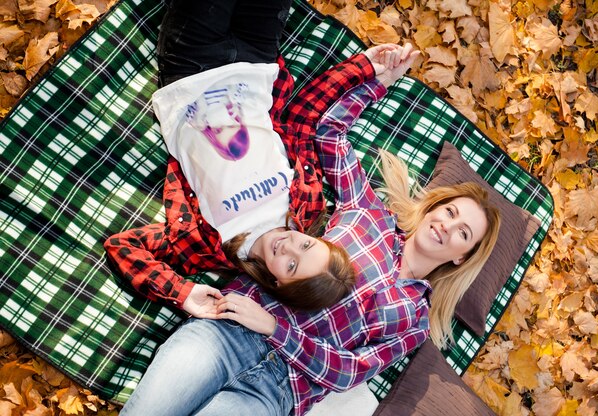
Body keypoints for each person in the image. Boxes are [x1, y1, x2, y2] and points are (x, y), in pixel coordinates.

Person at [116, 1, 502, 415]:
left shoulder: (412, 321)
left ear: (462, 255)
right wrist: (376, 80)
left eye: (463, 232)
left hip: (276, 391)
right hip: (228, 334)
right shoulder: (366, 214)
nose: (448, 225)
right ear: (433, 208)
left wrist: (277, 330)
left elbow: (350, 371)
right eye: (449, 212)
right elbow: (330, 135)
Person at [103, 0, 377, 312]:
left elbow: (124, 246)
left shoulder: (207, 249)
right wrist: (364, 69)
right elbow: (302, 123)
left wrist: (182, 293)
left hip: (191, 69)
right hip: (255, 63)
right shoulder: (308, 204)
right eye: (305, 245)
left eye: (291, 266)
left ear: (277, 285)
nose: (288, 246)